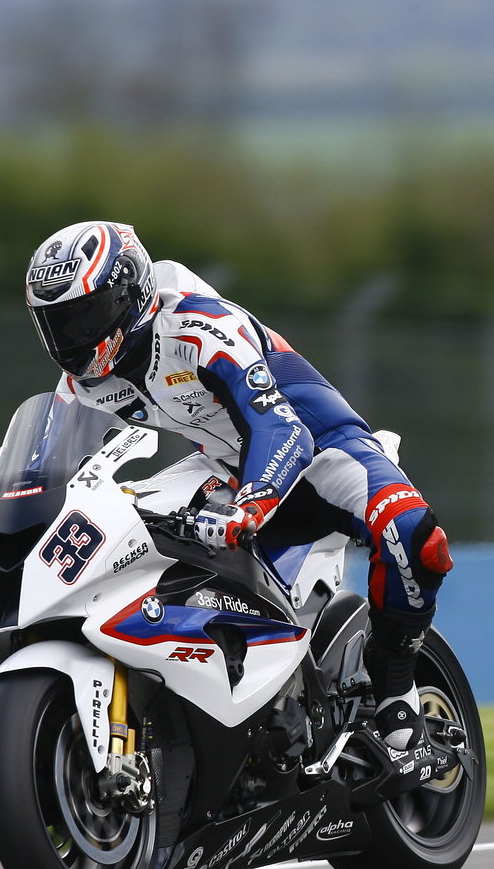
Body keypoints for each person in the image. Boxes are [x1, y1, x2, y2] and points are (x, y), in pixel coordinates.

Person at [26, 220, 452, 750]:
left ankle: (395, 691)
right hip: (224, 467)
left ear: (130, 293)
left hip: (317, 449)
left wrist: (250, 506)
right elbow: (48, 466)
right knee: (124, 535)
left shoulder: (196, 327)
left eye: (85, 316)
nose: (74, 340)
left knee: (415, 536)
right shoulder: (83, 385)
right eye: (58, 325)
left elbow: (280, 427)